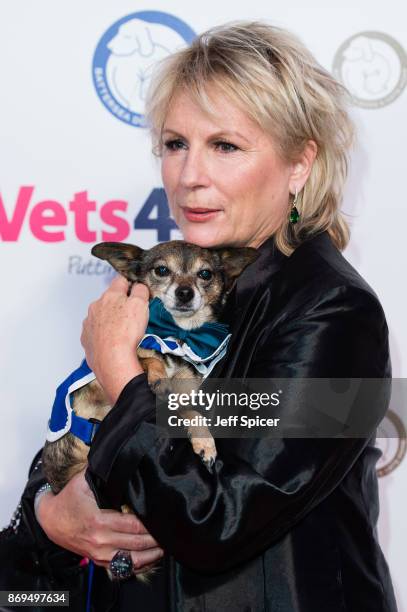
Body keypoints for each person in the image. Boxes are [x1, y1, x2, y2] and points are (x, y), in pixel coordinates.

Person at [17, 21, 397, 611]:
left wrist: (123, 374)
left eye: (225, 146)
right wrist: (50, 515)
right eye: (174, 144)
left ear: (300, 163)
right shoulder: (160, 288)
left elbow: (218, 522)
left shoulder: (333, 312)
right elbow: (76, 439)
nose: (189, 176)